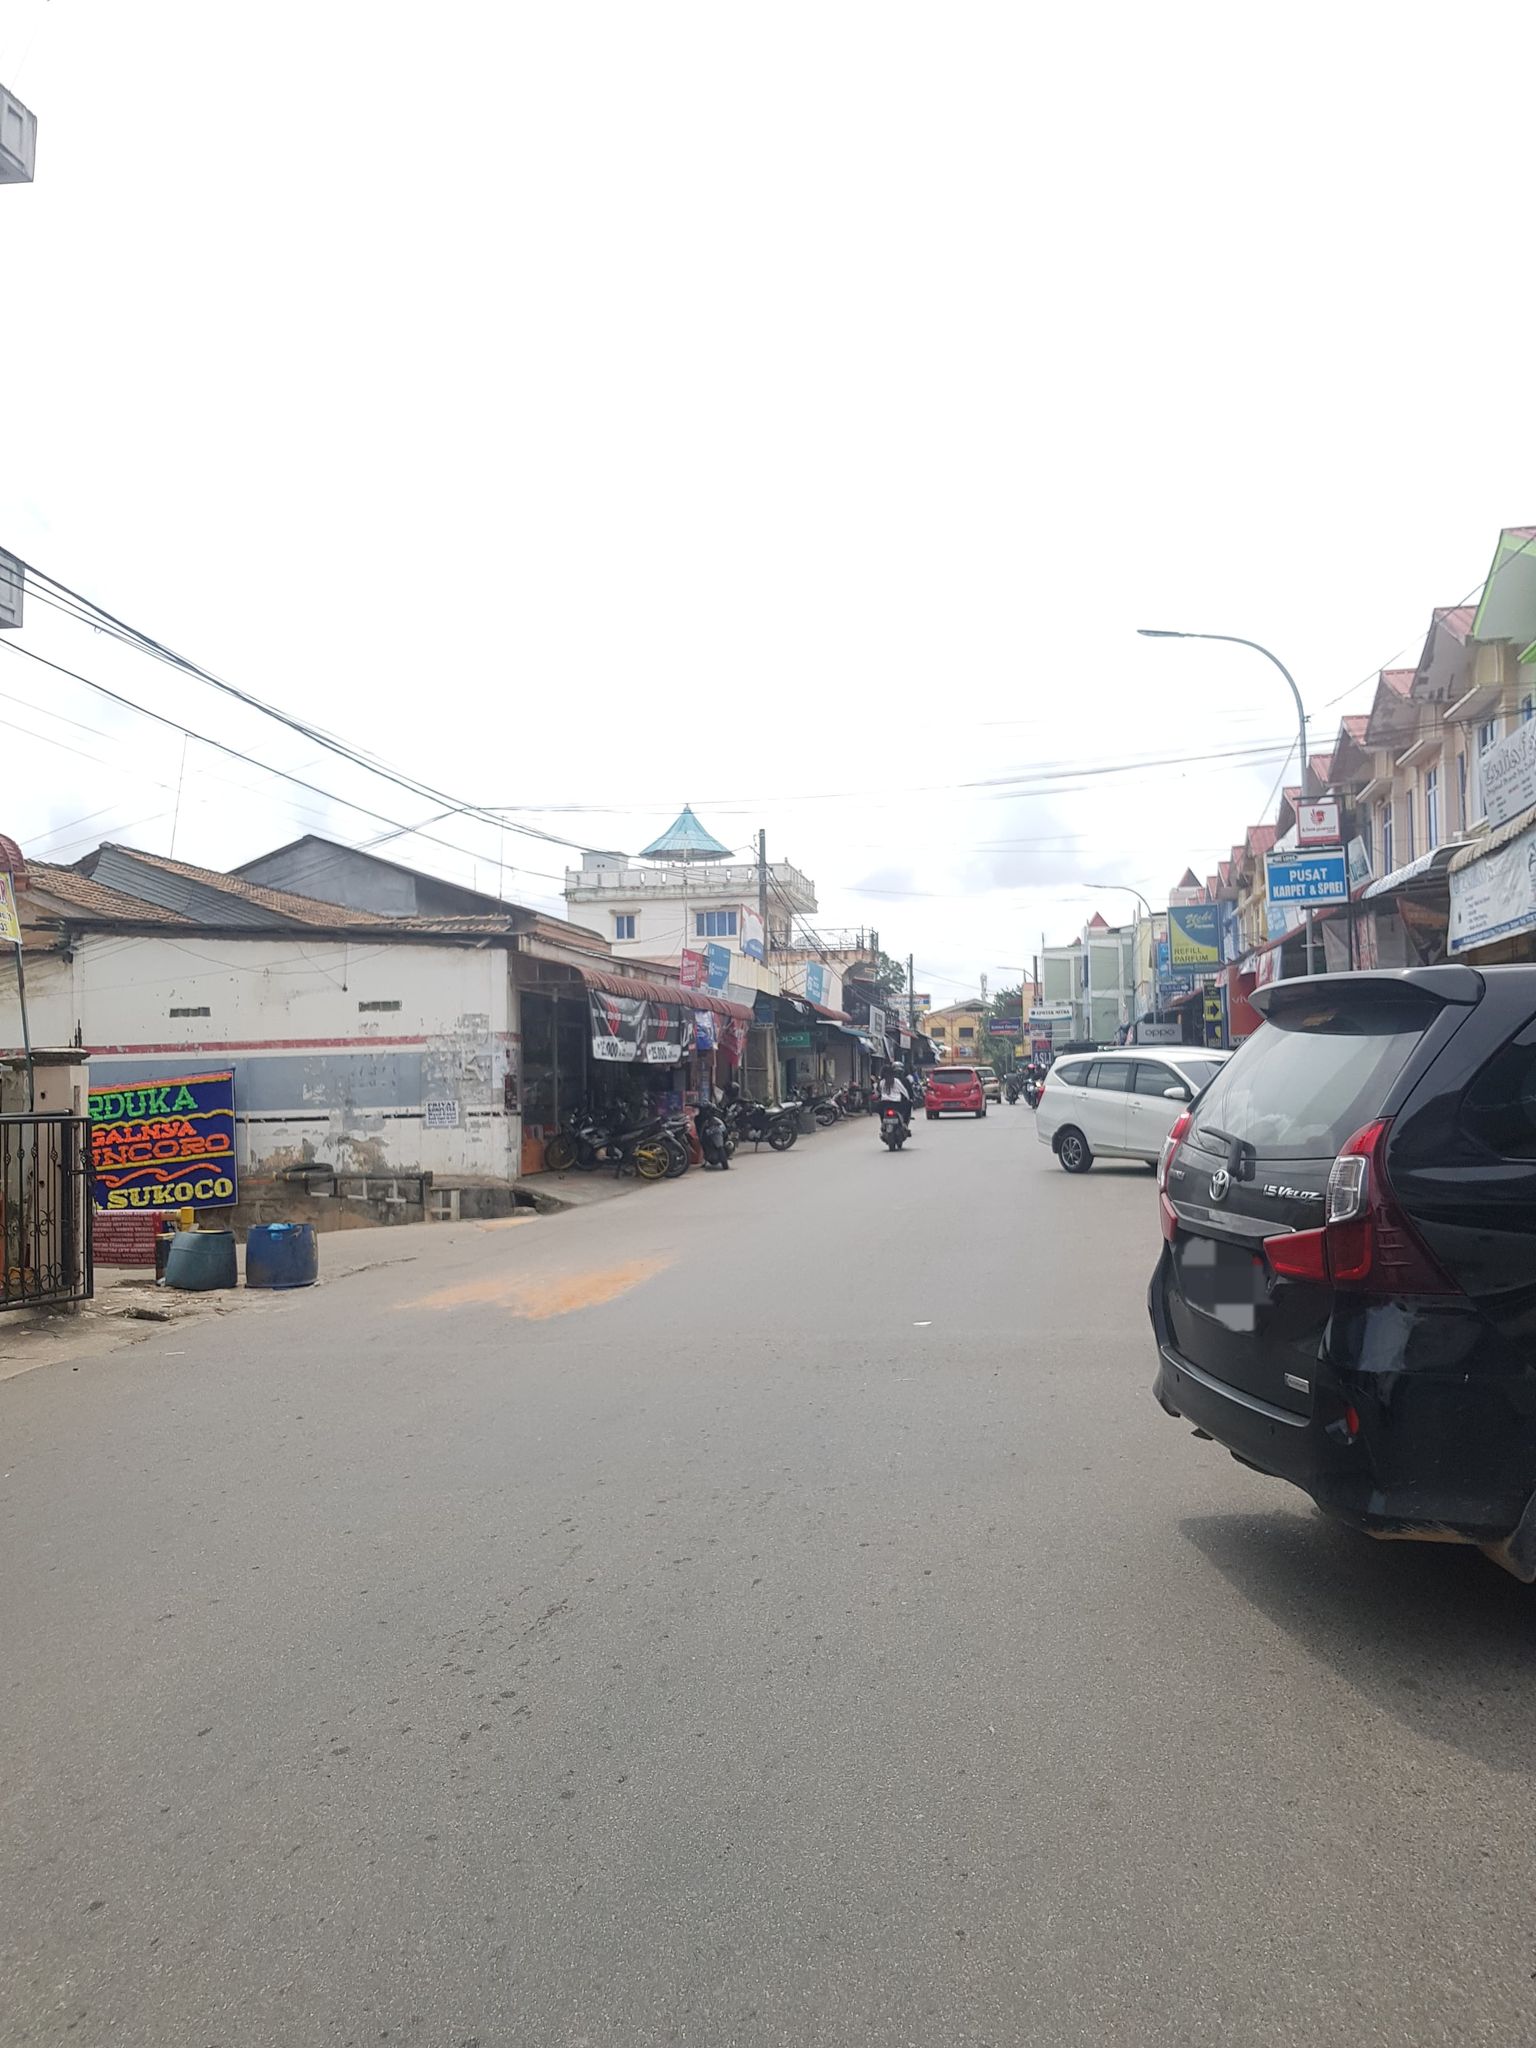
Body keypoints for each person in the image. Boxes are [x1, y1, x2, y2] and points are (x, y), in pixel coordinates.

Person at [877, 1064, 912, 1129]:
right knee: (909, 1105)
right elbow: (904, 1091)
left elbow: (880, 1092)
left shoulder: (882, 1082)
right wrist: (908, 1099)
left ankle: (882, 1123)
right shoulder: (896, 1081)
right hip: (896, 1104)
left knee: (880, 1110)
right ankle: (904, 1123)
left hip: (884, 1104)